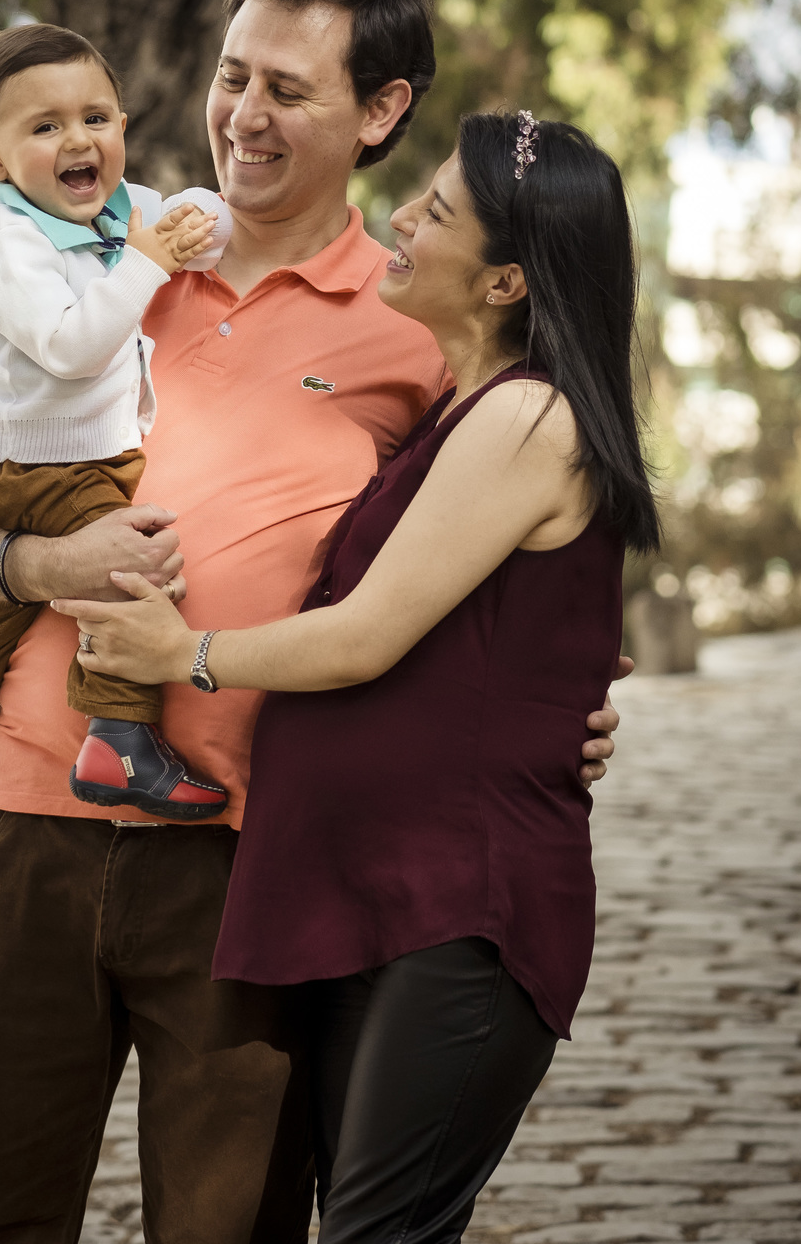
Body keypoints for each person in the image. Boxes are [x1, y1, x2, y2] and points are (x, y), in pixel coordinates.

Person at [0, 0, 628, 1244]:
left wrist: (551, 709)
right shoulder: (95, 266)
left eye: (288, 89)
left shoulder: (422, 329)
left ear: (381, 112)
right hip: (30, 825)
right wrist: (43, 568)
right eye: (233, 75)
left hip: (249, 860)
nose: (243, 115)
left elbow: (468, 566)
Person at [53, 107, 658, 1243]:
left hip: (459, 911)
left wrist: (179, 654)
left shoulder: (528, 416)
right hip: (377, 895)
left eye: (436, 213)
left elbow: (366, 633)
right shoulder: (465, 415)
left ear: (504, 285)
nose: (400, 218)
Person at [0, 22, 231, 822]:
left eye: (96, 118)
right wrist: (150, 261)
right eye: (44, 128)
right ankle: (118, 739)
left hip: (46, 458)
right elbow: (73, 347)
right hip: (33, 467)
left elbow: (195, 232)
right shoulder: (8, 251)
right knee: (127, 569)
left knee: (2, 603)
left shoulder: (121, 208)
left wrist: (198, 219)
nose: (78, 140)